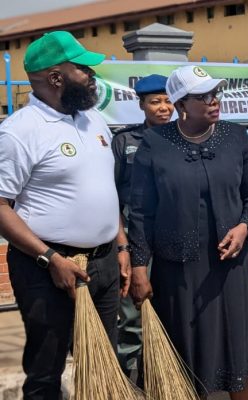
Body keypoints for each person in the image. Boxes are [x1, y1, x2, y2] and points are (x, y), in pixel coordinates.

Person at [127, 65, 248, 399]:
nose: (213, 101)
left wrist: (244, 227)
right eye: (202, 96)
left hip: (230, 265)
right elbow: (141, 210)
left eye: (215, 93)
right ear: (181, 104)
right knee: (185, 350)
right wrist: (138, 267)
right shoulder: (154, 143)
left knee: (237, 346)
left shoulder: (236, 137)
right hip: (178, 269)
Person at [0, 31, 130, 399]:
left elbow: (106, 191)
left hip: (103, 264)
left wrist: (120, 246)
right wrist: (50, 258)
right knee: (46, 370)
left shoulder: (93, 121)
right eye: (83, 68)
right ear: (56, 78)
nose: (92, 75)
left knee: (101, 363)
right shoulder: (19, 132)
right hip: (47, 269)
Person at [111, 73, 173, 379]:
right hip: (136, 239)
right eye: (155, 102)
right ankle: (125, 381)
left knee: (170, 314)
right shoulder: (125, 141)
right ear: (142, 105)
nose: (163, 107)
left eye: (168, 100)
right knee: (133, 315)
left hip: (173, 238)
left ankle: (159, 380)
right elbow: (110, 194)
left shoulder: (182, 138)